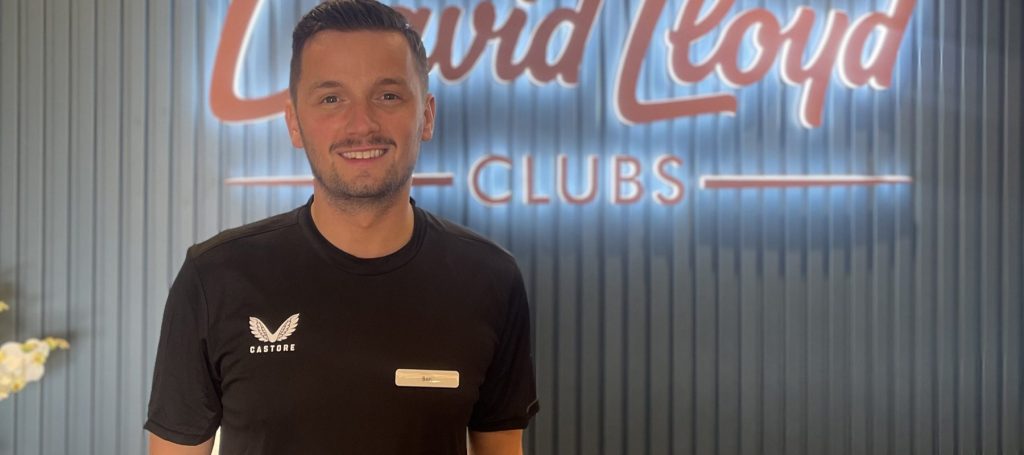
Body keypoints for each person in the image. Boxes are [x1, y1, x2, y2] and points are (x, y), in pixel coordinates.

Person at [144, 1, 539, 453]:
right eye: (331, 98)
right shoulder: (215, 278)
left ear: (426, 115)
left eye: (388, 95)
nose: (361, 124)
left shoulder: (490, 278)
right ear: (294, 122)